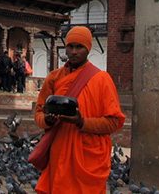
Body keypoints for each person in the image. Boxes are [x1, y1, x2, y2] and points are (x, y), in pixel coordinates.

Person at [34, 26, 125, 193]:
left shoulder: (102, 80)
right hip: (60, 152)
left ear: (88, 49)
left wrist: (82, 122)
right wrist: (47, 120)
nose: (74, 51)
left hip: (89, 156)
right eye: (70, 46)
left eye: (79, 47)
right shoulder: (54, 78)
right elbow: (39, 113)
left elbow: (114, 122)